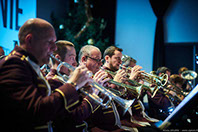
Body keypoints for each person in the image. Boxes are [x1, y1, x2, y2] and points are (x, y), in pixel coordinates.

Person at [0, 18, 93, 131]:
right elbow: (36, 112)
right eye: (50, 42)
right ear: (30, 40)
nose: (54, 48)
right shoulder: (14, 63)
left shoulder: (28, 64)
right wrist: (72, 85)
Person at [102, 46, 160, 131]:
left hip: (131, 115)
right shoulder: (102, 74)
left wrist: (136, 83)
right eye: (117, 58)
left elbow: (132, 97)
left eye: (121, 59)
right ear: (107, 58)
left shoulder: (117, 73)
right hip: (118, 119)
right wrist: (130, 80)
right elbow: (109, 99)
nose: (120, 62)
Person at [46, 40, 99, 131]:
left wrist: (87, 88)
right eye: (72, 58)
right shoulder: (53, 81)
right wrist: (94, 94)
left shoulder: (65, 79)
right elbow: (76, 116)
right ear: (58, 58)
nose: (75, 63)